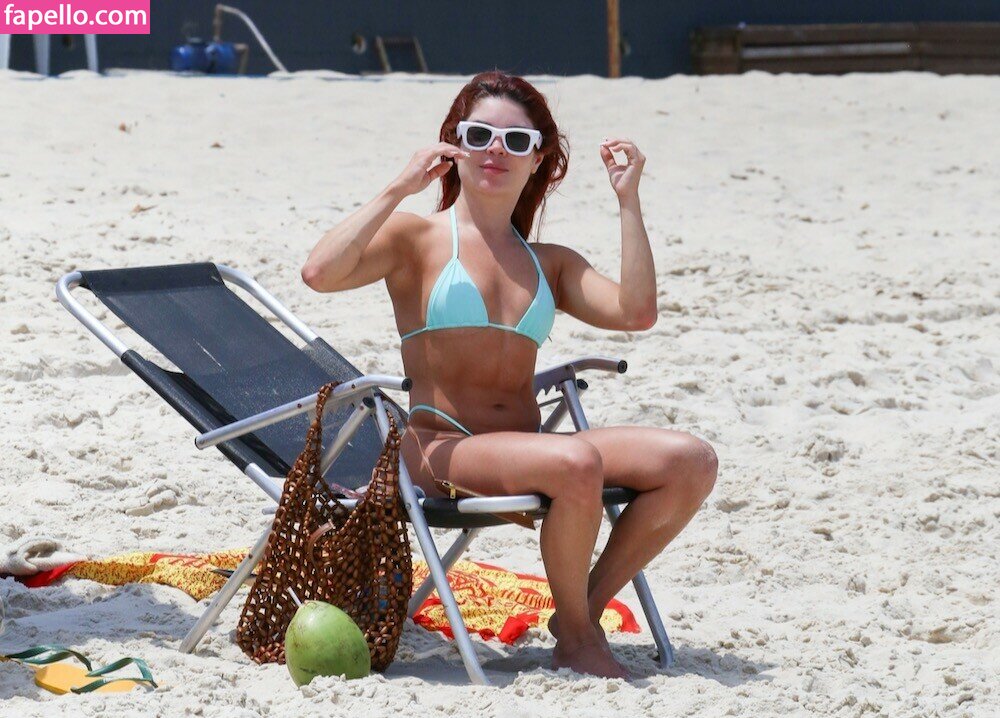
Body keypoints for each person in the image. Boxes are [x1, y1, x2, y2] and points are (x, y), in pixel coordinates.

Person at [301, 71, 718, 679]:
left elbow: (637, 311)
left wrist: (627, 200)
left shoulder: (548, 263)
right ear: (454, 144)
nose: (496, 150)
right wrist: (399, 187)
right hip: (440, 448)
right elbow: (319, 273)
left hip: (529, 448)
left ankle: (582, 611)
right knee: (574, 463)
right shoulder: (417, 238)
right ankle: (580, 639)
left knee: (691, 461)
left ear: (537, 159)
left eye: (516, 141)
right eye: (479, 135)